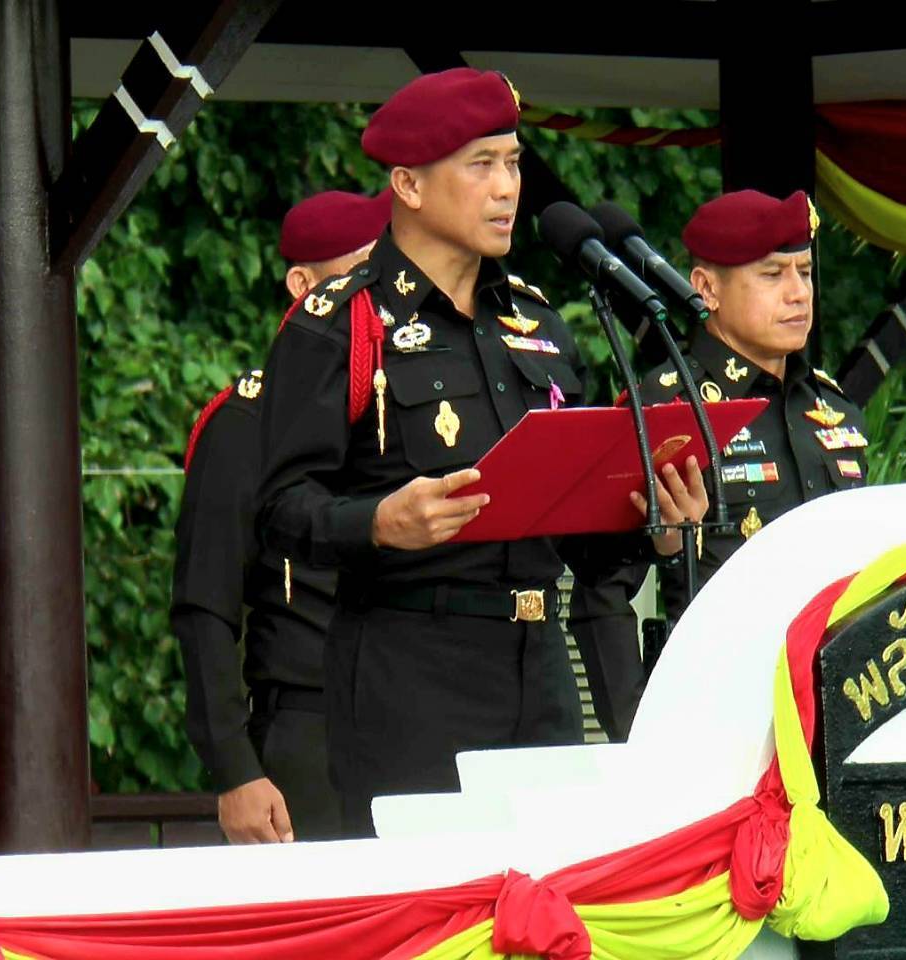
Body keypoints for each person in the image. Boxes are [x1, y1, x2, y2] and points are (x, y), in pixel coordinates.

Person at [253, 68, 707, 833]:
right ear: (409, 184)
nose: (507, 188)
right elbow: (275, 513)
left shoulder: (537, 324)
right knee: (433, 901)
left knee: (551, 895)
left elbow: (577, 537)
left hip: (541, 664)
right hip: (410, 669)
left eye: (514, 163)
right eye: (481, 165)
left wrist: (652, 527)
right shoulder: (340, 321)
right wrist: (378, 522)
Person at [569, 189, 869, 716]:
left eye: (804, 272)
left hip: (837, 699)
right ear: (707, 288)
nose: (798, 293)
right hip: (720, 704)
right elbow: (601, 587)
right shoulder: (666, 407)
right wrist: (636, 728)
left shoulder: (832, 407)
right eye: (773, 275)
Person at [172, 189, 389, 843]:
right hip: (309, 726)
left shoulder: (400, 408)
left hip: (413, 713)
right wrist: (235, 769)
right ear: (303, 285)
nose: (378, 293)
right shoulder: (248, 421)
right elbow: (204, 605)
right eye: (362, 271)